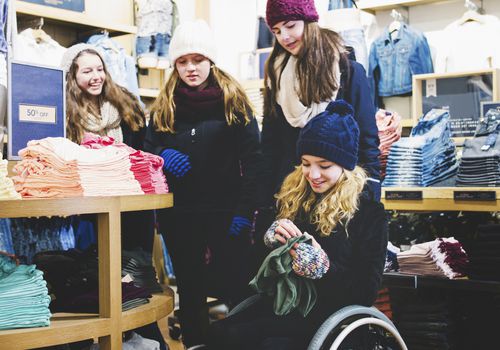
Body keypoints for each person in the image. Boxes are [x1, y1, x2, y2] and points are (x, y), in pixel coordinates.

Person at [208, 100, 388, 350]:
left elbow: (364, 292)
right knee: (219, 334)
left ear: (345, 166)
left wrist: (322, 268)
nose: (313, 174)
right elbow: (251, 275)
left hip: (333, 320)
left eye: (324, 166)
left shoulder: (368, 214)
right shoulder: (292, 200)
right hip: (284, 307)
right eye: (305, 163)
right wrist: (267, 242)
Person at [144, 20, 262, 349]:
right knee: (191, 287)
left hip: (227, 213)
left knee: (235, 284)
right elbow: (146, 150)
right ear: (175, 65)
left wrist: (244, 211)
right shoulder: (165, 105)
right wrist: (162, 154)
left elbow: (255, 161)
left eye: (197, 59)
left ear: (211, 60)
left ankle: (236, 344)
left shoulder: (233, 102)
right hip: (180, 215)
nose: (191, 68)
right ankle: (195, 344)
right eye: (183, 61)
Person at [61, 44, 166, 349]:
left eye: (99, 68)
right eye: (86, 71)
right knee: (99, 280)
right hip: (92, 209)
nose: (96, 76)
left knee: (137, 276)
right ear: (72, 75)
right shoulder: (67, 113)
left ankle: (147, 338)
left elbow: (144, 149)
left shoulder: (126, 103)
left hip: (134, 207)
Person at [260, 0, 381, 207]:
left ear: (309, 21)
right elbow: (271, 145)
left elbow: (366, 138)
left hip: (339, 192)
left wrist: (371, 190)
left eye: (290, 26)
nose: (284, 37)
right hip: (292, 193)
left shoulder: (347, 71)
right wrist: (264, 201)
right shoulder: (277, 76)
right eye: (277, 31)